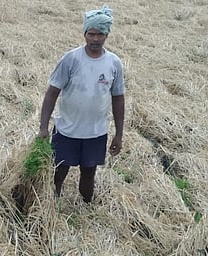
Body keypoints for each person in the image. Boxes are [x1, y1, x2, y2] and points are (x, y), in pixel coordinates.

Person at [38, 5, 125, 203]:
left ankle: (87, 205)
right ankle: (53, 203)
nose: (95, 39)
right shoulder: (71, 59)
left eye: (100, 34)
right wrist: (43, 127)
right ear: (85, 34)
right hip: (67, 130)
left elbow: (118, 99)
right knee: (59, 171)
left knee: (89, 173)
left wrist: (119, 134)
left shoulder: (114, 63)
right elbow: (52, 93)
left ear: (107, 35)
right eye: (91, 33)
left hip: (96, 132)